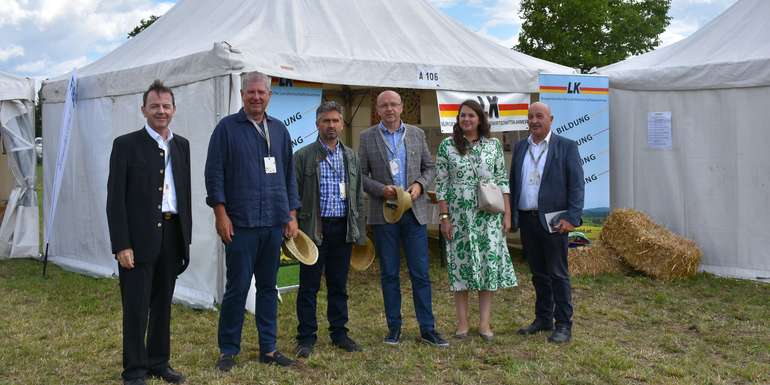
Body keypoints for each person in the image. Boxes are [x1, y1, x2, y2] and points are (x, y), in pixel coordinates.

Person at [205, 71, 300, 369]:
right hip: (241, 224)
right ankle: (228, 350)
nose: (256, 97)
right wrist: (221, 215)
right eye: (251, 92)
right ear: (243, 95)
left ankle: (268, 349)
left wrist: (291, 214)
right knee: (238, 287)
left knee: (269, 288)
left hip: (273, 223)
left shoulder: (280, 131)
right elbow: (214, 174)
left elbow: (289, 175)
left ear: (270, 96)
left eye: (262, 92)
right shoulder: (226, 129)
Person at [107, 80, 191, 385]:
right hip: (138, 238)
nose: (161, 111)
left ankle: (159, 362)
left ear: (174, 110)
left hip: (172, 234)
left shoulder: (182, 145)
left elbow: (185, 192)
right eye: (154, 106)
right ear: (143, 109)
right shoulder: (125, 145)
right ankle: (134, 370)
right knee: (136, 307)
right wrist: (121, 244)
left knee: (162, 305)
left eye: (166, 106)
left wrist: (186, 239)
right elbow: (115, 200)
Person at [358, 90, 448, 347]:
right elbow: (361, 176)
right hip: (383, 212)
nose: (389, 109)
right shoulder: (367, 137)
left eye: (394, 104)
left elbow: (429, 168)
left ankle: (427, 329)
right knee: (389, 273)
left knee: (420, 273)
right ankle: (393, 328)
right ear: (377, 110)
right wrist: (380, 189)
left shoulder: (417, 134)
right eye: (384, 105)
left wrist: (419, 185)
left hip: (414, 213)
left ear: (401, 108)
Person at [435, 100, 517, 341]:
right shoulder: (446, 146)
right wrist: (444, 217)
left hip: (488, 217)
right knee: (460, 268)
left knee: (486, 268)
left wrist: (508, 215)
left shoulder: (493, 146)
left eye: (471, 116)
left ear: (480, 119)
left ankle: (484, 324)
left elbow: (502, 180)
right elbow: (441, 184)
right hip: (459, 218)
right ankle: (462, 323)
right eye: (462, 116)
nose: (466, 120)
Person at [292, 101, 366, 358]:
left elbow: (357, 196)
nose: (331, 126)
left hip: (342, 229)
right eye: (326, 121)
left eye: (335, 121)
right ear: (317, 125)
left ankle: (339, 333)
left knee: (339, 285)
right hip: (314, 230)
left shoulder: (351, 157)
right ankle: (306, 337)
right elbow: (294, 194)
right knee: (309, 286)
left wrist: (359, 231)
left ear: (342, 125)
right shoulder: (302, 156)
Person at [509, 102, 584, 343]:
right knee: (538, 274)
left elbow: (577, 185)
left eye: (539, 116)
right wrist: (512, 216)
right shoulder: (521, 147)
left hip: (554, 222)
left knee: (557, 274)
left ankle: (564, 324)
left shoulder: (566, 147)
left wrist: (572, 218)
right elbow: (513, 182)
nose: (534, 121)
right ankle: (543, 319)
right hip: (528, 220)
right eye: (530, 117)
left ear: (550, 119)